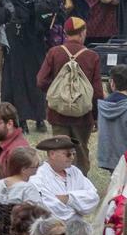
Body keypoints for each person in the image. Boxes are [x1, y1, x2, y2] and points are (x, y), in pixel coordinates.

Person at [35, 17, 104, 174]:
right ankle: (81, 183)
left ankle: (59, 180)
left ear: (66, 33)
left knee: (60, 150)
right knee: (79, 150)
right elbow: (97, 91)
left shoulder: (54, 52)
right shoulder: (91, 56)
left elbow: (40, 80)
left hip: (58, 112)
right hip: (83, 115)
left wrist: (55, 93)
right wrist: (96, 116)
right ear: (82, 33)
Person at [27, 137, 99, 223]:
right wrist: (77, 208)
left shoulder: (75, 171)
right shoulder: (38, 177)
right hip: (52, 230)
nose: (72, 157)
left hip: (77, 227)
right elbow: (48, 207)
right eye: (68, 154)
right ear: (52, 154)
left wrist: (68, 199)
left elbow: (93, 197)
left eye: (74, 154)